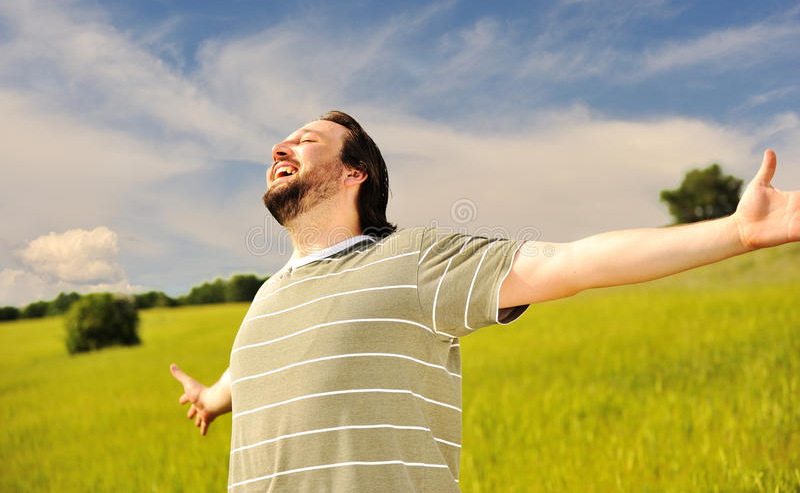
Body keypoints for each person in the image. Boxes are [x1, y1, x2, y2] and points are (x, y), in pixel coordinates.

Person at [170, 111, 799, 491]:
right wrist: (212, 398)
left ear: (354, 172)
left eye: (304, 141)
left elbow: (570, 262)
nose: (279, 149)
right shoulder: (265, 302)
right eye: (280, 142)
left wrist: (737, 232)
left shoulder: (412, 260)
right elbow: (256, 373)